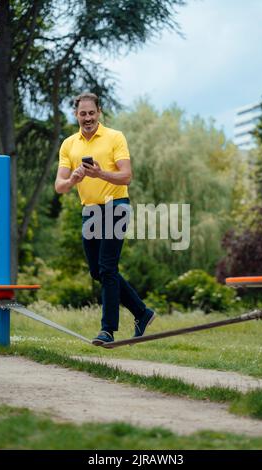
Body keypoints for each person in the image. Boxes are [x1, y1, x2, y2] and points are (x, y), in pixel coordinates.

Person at [55, 92, 155, 345]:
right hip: (90, 210)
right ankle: (142, 313)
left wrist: (100, 174)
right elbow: (59, 186)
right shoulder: (69, 144)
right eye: (82, 113)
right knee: (97, 271)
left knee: (108, 267)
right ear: (76, 115)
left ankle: (107, 330)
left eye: (91, 113)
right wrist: (73, 179)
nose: (87, 118)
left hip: (116, 205)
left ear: (99, 112)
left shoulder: (115, 137)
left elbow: (126, 176)